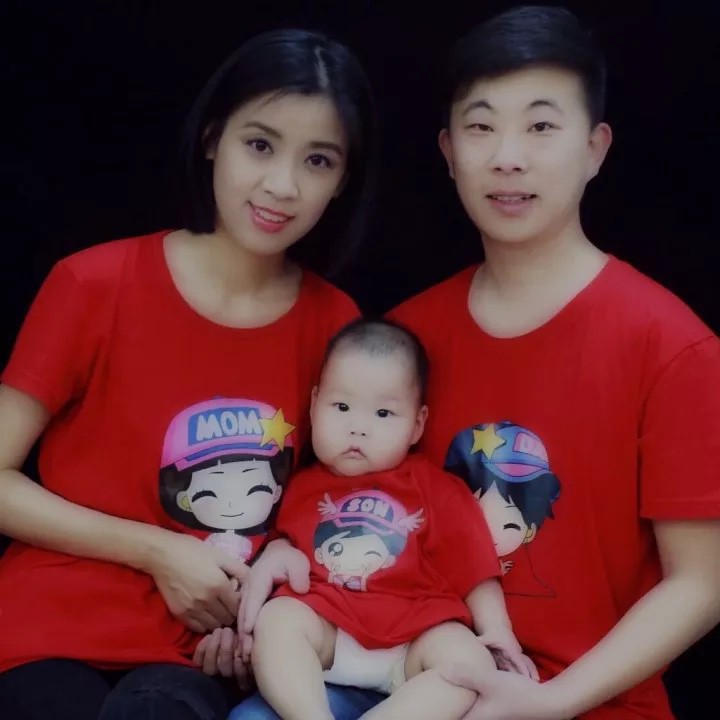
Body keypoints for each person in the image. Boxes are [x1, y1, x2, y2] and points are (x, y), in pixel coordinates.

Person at [0, 27, 376, 720]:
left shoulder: (336, 325)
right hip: (48, 630)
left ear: (342, 181)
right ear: (211, 139)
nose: (282, 185)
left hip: (202, 655)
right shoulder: (93, 283)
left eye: (318, 160)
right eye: (259, 145)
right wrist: (157, 551)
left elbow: (337, 515)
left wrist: (266, 612)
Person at [387, 5, 720, 719]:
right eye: (481, 127)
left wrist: (553, 702)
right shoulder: (402, 341)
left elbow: (703, 583)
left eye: (541, 126)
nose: (508, 157)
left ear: (596, 148)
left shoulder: (672, 345)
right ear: (448, 151)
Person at [237, 319, 535, 720]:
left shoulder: (436, 489)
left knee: (470, 664)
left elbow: (475, 570)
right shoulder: (301, 484)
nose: (357, 428)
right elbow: (285, 543)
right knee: (277, 620)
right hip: (328, 627)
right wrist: (280, 550)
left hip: (415, 638)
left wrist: (497, 630)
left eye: (383, 413)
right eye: (341, 407)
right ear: (314, 403)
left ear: (417, 424)